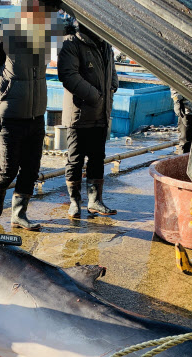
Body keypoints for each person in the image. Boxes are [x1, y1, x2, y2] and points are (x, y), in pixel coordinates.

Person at [0, 0, 57, 231]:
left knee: (32, 167)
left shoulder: (46, 37)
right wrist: (2, 95)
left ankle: (19, 214)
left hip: (36, 114)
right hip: (10, 114)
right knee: (8, 167)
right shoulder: (4, 35)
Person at [57, 21, 118, 218]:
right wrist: (96, 96)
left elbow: (112, 70)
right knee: (75, 160)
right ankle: (75, 202)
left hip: (101, 113)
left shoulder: (105, 44)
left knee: (97, 157)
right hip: (79, 114)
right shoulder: (71, 44)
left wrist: (113, 86)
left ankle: (95, 201)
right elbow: (68, 75)